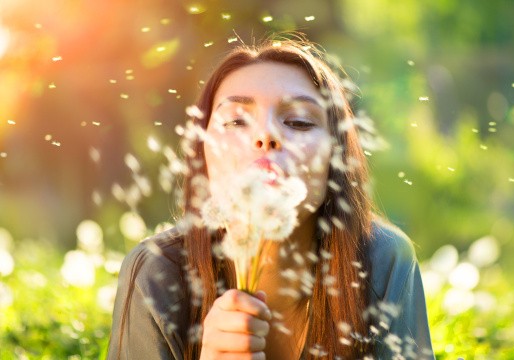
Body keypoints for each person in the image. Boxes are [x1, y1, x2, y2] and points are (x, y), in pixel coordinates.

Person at [108, 35, 434, 359]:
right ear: (202, 152)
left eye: (298, 122)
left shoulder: (382, 262)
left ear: (336, 157)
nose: (266, 135)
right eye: (236, 120)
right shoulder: (156, 276)